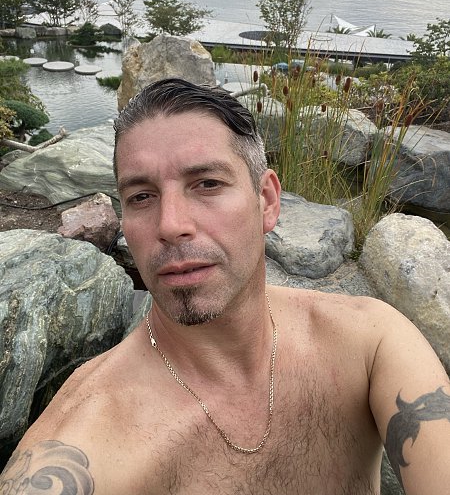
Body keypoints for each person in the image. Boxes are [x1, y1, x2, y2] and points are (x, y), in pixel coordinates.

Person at [1, 78, 449, 494]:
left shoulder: (369, 344)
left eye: (207, 184)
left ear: (267, 201)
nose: (170, 225)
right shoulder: (85, 443)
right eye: (141, 196)